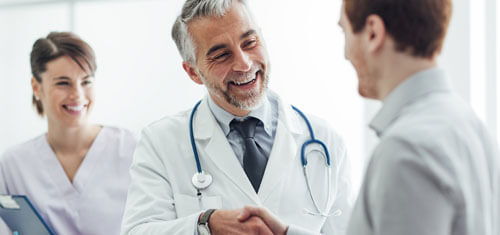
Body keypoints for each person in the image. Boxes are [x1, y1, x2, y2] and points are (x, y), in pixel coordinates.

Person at [120, 0, 353, 234]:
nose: (244, 63)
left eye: (250, 42)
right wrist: (204, 224)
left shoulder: (326, 141)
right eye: (221, 55)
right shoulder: (160, 142)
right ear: (193, 71)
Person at [335, 0, 500, 234]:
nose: (345, 54)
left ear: (373, 32)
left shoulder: (406, 150)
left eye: (345, 31)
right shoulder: (470, 125)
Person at [0, 32, 137, 234]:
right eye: (63, 83)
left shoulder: (132, 148)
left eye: (86, 82)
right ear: (36, 87)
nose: (77, 95)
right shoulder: (13, 165)